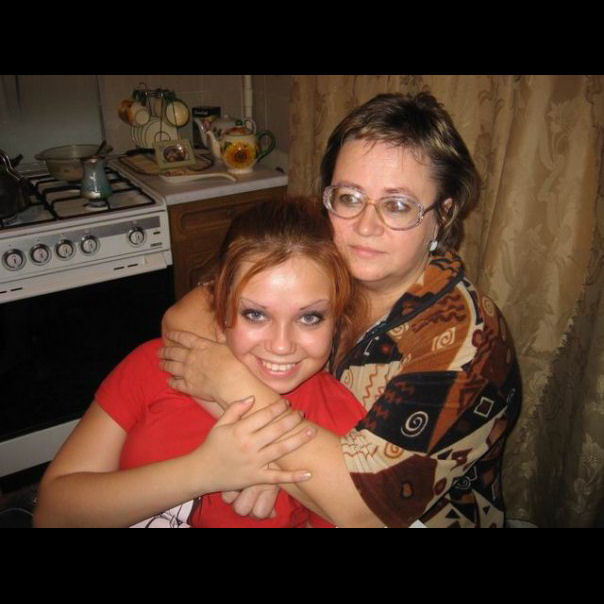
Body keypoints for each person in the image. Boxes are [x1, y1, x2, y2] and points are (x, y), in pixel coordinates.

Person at [159, 92, 523, 528]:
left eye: (398, 205)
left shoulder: (469, 340)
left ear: (442, 216)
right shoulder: (325, 260)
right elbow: (184, 319)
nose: (365, 227)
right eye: (349, 198)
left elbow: (360, 506)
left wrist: (229, 382)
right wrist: (266, 461)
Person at [34, 197, 367, 528]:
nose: (281, 346)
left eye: (310, 317)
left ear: (337, 318)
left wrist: (279, 463)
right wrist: (205, 470)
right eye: (255, 314)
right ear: (220, 308)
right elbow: (52, 514)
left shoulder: (338, 425)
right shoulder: (159, 364)